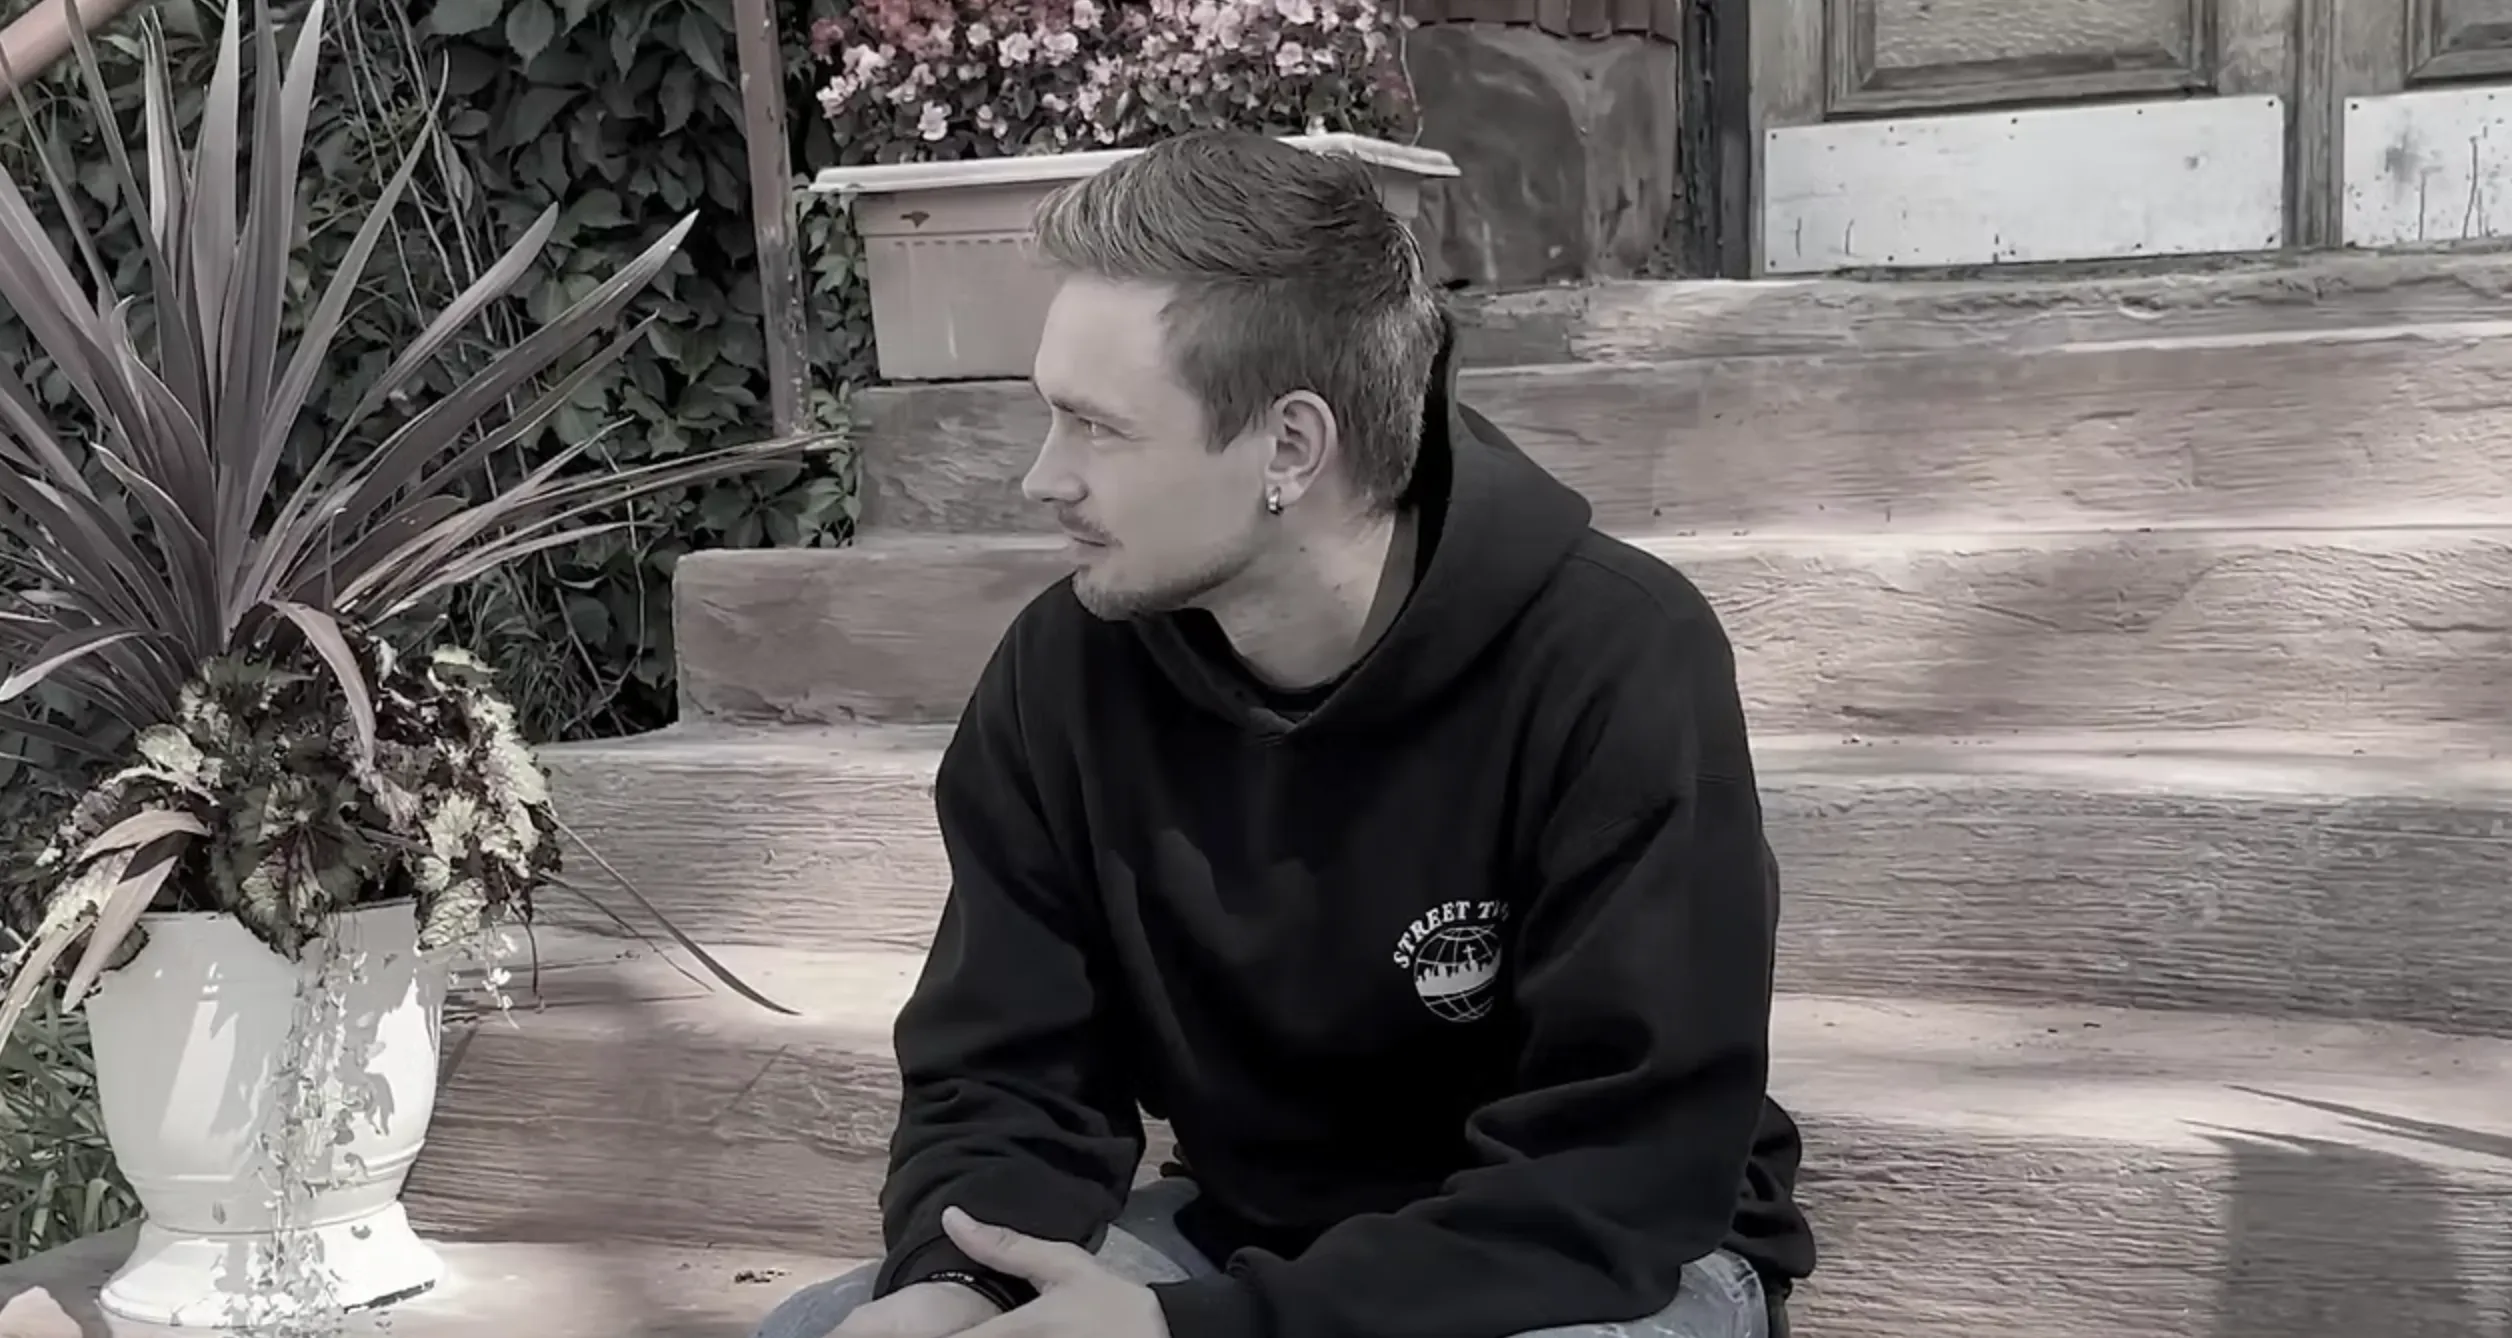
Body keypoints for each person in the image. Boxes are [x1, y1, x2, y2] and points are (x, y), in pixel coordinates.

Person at [753, 128, 1816, 1338]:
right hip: (1251, 1234)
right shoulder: (1068, 668)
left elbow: (1617, 1176)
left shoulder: (1615, 659)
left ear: (1289, 449)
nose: (1041, 479)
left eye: (1096, 427)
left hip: (1601, 1261)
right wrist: (963, 1281)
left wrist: (1187, 1331)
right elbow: (1008, 1074)